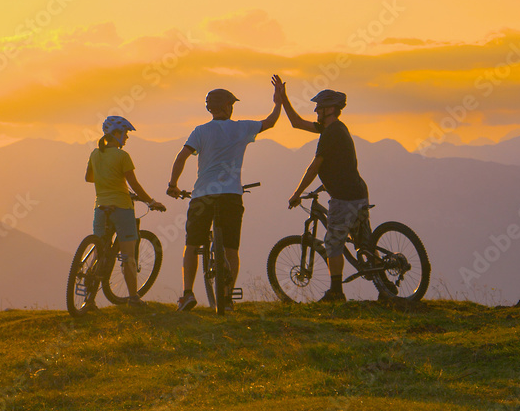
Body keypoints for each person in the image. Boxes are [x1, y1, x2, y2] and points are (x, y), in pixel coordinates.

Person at [167, 84, 282, 311]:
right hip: (230, 195)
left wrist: (173, 185)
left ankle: (187, 294)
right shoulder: (241, 128)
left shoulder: (199, 132)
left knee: (192, 244)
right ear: (228, 107)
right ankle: (227, 298)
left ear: (210, 109)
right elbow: (270, 122)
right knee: (230, 248)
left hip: (202, 195)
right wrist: (278, 101)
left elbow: (181, 157)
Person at [273, 74, 369, 302]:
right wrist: (284, 98)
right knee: (363, 243)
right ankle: (386, 286)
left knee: (333, 242)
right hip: (358, 192)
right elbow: (296, 123)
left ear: (330, 109)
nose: (316, 111)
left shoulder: (331, 133)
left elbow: (314, 166)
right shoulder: (335, 129)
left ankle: (336, 292)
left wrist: (296, 193)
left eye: (319, 108)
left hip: (344, 197)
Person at [85, 116, 166, 308]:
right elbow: (135, 184)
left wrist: (107, 179)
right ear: (116, 134)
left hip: (100, 208)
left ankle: (89, 300)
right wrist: (151, 201)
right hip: (122, 207)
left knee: (99, 253)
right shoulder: (123, 156)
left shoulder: (95, 154)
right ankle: (133, 299)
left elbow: (89, 178)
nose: (127, 138)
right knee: (129, 256)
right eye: (126, 134)